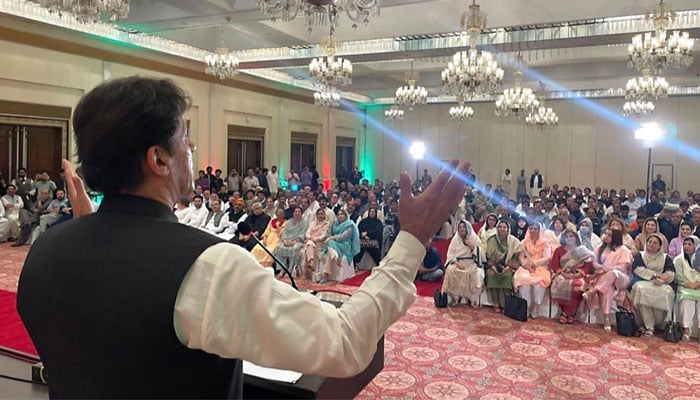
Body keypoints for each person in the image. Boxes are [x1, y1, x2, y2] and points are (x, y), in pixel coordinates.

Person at [15, 76, 477, 398]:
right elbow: (344, 342)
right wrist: (413, 238)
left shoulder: (46, 251)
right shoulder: (206, 268)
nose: (192, 149)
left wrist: (83, 229)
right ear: (157, 159)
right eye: (185, 137)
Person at [583, 229, 633, 331]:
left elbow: (622, 267)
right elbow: (595, 263)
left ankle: (593, 291)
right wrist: (602, 268)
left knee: (613, 273)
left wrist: (604, 269)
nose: (606, 236)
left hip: (621, 278)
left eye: (609, 235)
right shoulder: (599, 248)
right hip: (604, 278)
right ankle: (606, 319)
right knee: (608, 289)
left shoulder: (623, 250)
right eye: (606, 234)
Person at [629, 233, 676, 337]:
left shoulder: (665, 257)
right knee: (641, 290)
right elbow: (637, 269)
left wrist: (663, 279)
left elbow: (671, 273)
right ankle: (648, 326)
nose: (652, 244)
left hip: (661, 284)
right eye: (650, 242)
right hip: (644, 281)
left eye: (655, 243)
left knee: (667, 293)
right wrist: (654, 275)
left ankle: (658, 323)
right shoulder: (640, 255)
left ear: (660, 245)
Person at [550, 230, 593, 324]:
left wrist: (577, 274)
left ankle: (566, 313)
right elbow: (555, 266)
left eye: (571, 236)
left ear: (576, 238)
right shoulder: (559, 250)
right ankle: (570, 314)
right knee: (559, 284)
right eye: (567, 236)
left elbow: (587, 267)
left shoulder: (582, 250)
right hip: (562, 274)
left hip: (579, 275)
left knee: (578, 285)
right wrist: (563, 273)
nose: (569, 238)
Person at [440, 220, 485, 307]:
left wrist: (473, 247)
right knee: (450, 270)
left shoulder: (474, 238)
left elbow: (482, 254)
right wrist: (456, 263)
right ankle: (455, 298)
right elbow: (450, 254)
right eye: (460, 227)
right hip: (458, 262)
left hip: (472, 262)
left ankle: (472, 299)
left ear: (468, 228)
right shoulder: (455, 239)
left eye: (464, 227)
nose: (462, 229)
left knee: (476, 273)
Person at [514, 223, 552, 319]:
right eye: (531, 228)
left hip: (540, 267)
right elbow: (521, 257)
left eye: (535, 229)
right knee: (523, 280)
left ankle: (536, 306)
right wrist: (525, 265)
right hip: (527, 267)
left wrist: (533, 264)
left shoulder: (545, 243)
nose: (533, 231)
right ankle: (525, 306)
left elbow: (547, 258)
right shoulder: (524, 242)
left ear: (539, 230)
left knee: (539, 282)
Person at [485, 220, 520, 313]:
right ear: (497, 229)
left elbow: (515, 258)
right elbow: (488, 257)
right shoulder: (491, 240)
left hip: (508, 266)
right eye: (500, 227)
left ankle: (506, 304)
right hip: (493, 266)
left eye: (504, 227)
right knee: (491, 275)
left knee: (507, 276)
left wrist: (507, 267)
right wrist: (494, 268)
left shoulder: (513, 241)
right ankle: (495, 303)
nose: (502, 229)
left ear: (508, 229)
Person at [320, 209, 360, 283]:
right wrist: (329, 228)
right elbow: (329, 234)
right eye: (338, 214)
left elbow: (344, 237)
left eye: (342, 214)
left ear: (345, 215)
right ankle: (335, 258)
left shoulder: (350, 225)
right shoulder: (335, 224)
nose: (340, 216)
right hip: (334, 244)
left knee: (329, 243)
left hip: (345, 244)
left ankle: (326, 275)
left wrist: (332, 238)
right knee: (329, 247)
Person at [673, 236, 700, 342]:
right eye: (685, 244)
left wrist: (697, 284)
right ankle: (686, 330)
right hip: (685, 287)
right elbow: (679, 278)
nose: (686, 247)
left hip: (698, 286)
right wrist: (689, 284)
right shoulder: (679, 260)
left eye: (690, 244)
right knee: (686, 300)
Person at [301, 208, 331, 279]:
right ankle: (311, 262)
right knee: (309, 244)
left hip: (320, 243)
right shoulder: (312, 223)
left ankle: (308, 267)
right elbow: (307, 233)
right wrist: (310, 238)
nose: (320, 215)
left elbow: (324, 235)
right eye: (318, 214)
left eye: (321, 214)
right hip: (311, 241)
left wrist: (315, 239)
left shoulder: (326, 224)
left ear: (324, 215)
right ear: (316, 215)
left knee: (309, 244)